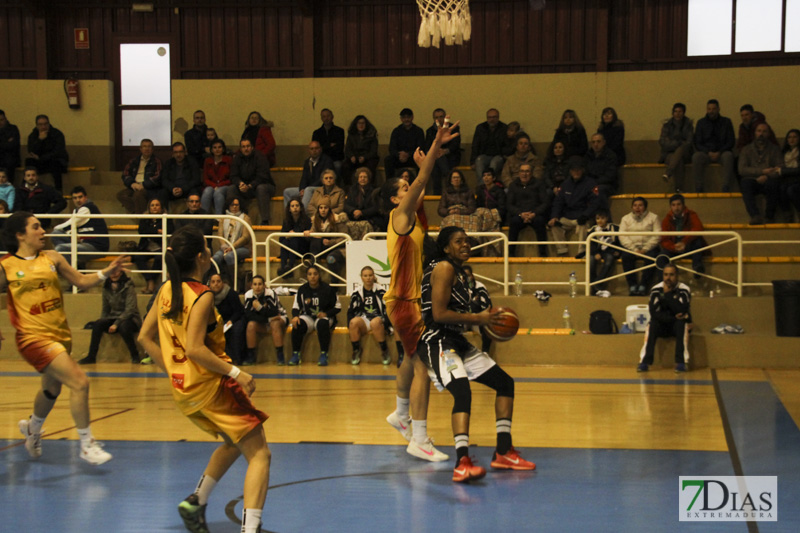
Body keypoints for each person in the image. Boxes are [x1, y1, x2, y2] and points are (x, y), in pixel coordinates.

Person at [137, 225, 270, 533]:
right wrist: (238, 372)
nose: (211, 253)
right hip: (212, 387)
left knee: (233, 442)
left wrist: (173, 372)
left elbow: (145, 337)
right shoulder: (201, 295)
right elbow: (196, 348)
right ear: (201, 257)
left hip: (184, 391)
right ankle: (250, 529)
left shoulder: (166, 290)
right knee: (260, 453)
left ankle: (196, 502)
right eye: (208, 249)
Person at [1, 211, 127, 465]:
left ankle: (33, 430)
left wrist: (106, 271)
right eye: (35, 227)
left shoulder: (52, 257)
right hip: (32, 338)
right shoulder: (6, 266)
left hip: (59, 335)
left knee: (51, 389)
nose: (42, 231)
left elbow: (81, 280)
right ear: (20, 235)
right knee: (80, 382)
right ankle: (86, 444)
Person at [418, 226, 536, 482]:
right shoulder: (444, 268)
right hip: (438, 339)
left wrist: (487, 321)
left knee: (505, 383)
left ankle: (503, 452)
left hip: (456, 339)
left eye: (468, 241)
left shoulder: (460, 273)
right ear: (446, 247)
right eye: (458, 241)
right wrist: (479, 319)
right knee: (462, 391)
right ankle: (462, 462)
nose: (466, 245)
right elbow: (438, 314)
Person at [382, 117, 459, 463]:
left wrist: (421, 163)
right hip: (404, 302)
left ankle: (401, 414)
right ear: (396, 199)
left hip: (404, 302)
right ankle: (420, 438)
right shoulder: (400, 216)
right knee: (423, 367)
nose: (410, 186)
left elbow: (424, 186)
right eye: (405, 186)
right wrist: (433, 148)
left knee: (411, 359)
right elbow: (425, 179)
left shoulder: (413, 219)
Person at [636, 263, 691, 373]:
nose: (668, 278)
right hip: (662, 323)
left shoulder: (684, 289)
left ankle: (681, 362)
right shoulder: (656, 289)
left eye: (671, 275)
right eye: (665, 275)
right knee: (652, 325)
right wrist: (673, 316)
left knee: (682, 325)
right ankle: (644, 362)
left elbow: (682, 309)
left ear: (677, 276)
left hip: (676, 325)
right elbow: (654, 312)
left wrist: (668, 295)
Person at [78, 270, 141, 364]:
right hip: (113, 317)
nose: (114, 274)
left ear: (121, 273)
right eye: (112, 272)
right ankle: (91, 356)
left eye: (116, 272)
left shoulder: (129, 286)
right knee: (97, 324)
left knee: (124, 327)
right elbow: (105, 309)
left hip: (130, 318)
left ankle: (135, 355)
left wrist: (116, 324)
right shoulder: (106, 287)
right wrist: (103, 320)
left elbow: (130, 309)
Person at [288, 265, 341, 367]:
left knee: (322, 324)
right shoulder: (302, 289)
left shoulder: (328, 289)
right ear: (307, 276)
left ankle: (324, 354)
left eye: (315, 274)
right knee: (297, 324)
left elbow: (338, 307)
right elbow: (296, 306)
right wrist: (295, 316)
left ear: (319, 275)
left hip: (323, 317)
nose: (313, 277)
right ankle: (295, 354)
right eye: (310, 274)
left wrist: (326, 314)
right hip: (308, 317)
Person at [548, 156, 601, 257]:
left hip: (582, 217)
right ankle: (562, 251)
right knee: (555, 225)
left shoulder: (590, 183)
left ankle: (582, 252)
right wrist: (554, 216)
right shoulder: (565, 184)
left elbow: (595, 203)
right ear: (570, 171)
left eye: (578, 170)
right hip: (567, 217)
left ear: (582, 170)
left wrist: (585, 215)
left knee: (583, 225)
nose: (576, 172)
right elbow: (558, 202)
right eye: (573, 170)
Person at [51, 186, 110, 266]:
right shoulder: (77, 210)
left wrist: (56, 227)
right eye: (75, 198)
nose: (78, 200)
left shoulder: (88, 208)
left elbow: (70, 224)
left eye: (80, 197)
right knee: (55, 234)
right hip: (83, 243)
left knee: (60, 248)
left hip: (96, 247)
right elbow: (72, 228)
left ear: (85, 197)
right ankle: (77, 265)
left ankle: (73, 272)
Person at [738, 122, 782, 225]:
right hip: (752, 180)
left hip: (769, 180)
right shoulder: (746, 149)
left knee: (774, 184)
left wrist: (766, 175)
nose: (761, 134)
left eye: (764, 131)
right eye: (759, 131)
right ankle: (755, 215)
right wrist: (761, 172)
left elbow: (779, 168)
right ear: (755, 133)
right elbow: (742, 169)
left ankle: (769, 217)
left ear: (768, 134)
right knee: (745, 184)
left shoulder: (775, 149)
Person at [347, 266, 392, 365]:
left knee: (375, 322)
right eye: (365, 276)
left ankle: (384, 350)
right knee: (354, 322)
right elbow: (350, 311)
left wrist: (388, 324)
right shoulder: (357, 293)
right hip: (364, 319)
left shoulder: (381, 291)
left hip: (378, 319)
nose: (368, 278)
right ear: (361, 277)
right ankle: (356, 350)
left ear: (373, 276)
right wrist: (349, 326)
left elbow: (388, 309)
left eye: (370, 275)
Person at [227, 138, 275, 225]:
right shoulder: (237, 158)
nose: (246, 149)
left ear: (252, 147)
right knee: (231, 189)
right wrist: (240, 183)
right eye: (243, 147)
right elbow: (233, 176)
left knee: (261, 188)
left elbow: (263, 176)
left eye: (248, 146)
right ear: (240, 148)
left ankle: (265, 220)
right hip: (244, 187)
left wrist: (249, 186)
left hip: (263, 186)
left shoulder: (260, 157)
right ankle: (233, 218)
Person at [619, 196, 661, 296]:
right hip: (632, 248)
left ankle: (643, 286)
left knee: (652, 257)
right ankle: (632, 286)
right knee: (626, 256)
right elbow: (622, 236)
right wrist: (634, 249)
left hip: (649, 247)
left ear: (645, 207)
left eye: (640, 205)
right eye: (635, 205)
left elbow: (657, 235)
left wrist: (645, 248)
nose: (637, 208)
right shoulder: (625, 219)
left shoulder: (654, 217)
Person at [692, 99, 735, 192]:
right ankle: (699, 187)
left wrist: (720, 152)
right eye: (709, 109)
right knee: (696, 157)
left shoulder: (726, 122)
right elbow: (697, 142)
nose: (711, 111)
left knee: (729, 156)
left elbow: (731, 141)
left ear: (718, 109)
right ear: (706, 110)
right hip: (706, 153)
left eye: (714, 109)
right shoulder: (701, 123)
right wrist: (708, 152)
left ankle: (725, 186)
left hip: (722, 152)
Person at [244, 275, 288, 366]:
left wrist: (259, 308)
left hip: (280, 317)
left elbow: (274, 312)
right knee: (250, 325)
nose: (257, 287)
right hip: (265, 321)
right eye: (255, 284)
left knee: (274, 324)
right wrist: (267, 317)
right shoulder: (248, 295)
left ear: (264, 285)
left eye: (260, 284)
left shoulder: (270, 293)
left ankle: (280, 355)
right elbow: (248, 315)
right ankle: (251, 355)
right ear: (251, 286)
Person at [508, 163, 550, 257]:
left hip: (535, 214)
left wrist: (534, 213)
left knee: (540, 222)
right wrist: (520, 214)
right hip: (519, 215)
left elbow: (545, 203)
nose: (524, 174)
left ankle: (543, 254)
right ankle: (510, 254)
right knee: (513, 222)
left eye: (527, 171)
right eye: (522, 171)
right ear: (519, 173)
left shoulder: (539, 184)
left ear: (531, 173)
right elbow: (510, 204)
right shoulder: (513, 185)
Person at [660, 194, 707, 278]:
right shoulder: (667, 219)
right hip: (674, 247)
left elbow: (698, 228)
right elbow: (664, 239)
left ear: (683, 205)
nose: (676, 207)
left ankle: (697, 269)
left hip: (688, 245)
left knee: (698, 241)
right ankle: (665, 278)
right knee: (662, 255)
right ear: (670, 206)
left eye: (678, 204)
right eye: (673, 205)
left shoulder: (691, 214)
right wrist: (674, 247)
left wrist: (684, 242)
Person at [135, 198, 173, 295]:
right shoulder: (145, 218)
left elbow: (170, 230)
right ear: (149, 208)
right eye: (152, 205)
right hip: (146, 247)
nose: (155, 207)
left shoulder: (166, 218)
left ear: (161, 207)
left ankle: (150, 282)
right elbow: (142, 231)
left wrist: (150, 232)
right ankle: (150, 280)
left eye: (157, 205)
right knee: (138, 257)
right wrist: (156, 231)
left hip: (160, 247)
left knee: (160, 258)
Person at [208, 273, 246, 366]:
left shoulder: (230, 293)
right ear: (210, 284)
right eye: (213, 282)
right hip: (219, 321)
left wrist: (231, 321)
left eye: (218, 281)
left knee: (235, 331)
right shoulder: (207, 295)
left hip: (235, 318)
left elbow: (239, 311)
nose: (216, 284)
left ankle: (237, 359)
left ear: (223, 283)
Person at [283, 140, 334, 208]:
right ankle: (289, 215)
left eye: (316, 148)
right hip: (308, 188)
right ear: (308, 150)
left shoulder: (327, 160)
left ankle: (303, 214)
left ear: (320, 149)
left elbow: (322, 179)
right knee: (287, 191)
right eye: (312, 149)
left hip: (322, 188)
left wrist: (306, 189)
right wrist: (302, 189)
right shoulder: (307, 162)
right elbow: (304, 178)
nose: (314, 150)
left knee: (308, 190)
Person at [118, 138, 163, 215]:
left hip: (148, 187)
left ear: (152, 149)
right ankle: (136, 212)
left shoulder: (156, 161)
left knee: (137, 195)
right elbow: (125, 174)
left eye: (149, 146)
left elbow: (157, 177)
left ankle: (142, 218)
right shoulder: (134, 161)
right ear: (140, 149)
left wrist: (143, 185)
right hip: (134, 185)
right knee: (121, 195)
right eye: (144, 146)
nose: (146, 149)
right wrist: (132, 184)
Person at [25, 115, 68, 191]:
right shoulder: (33, 135)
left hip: (54, 160)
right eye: (40, 125)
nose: (43, 127)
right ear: (37, 125)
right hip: (40, 162)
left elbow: (58, 151)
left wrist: (41, 158)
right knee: (29, 162)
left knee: (56, 164)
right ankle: (28, 188)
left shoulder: (57, 134)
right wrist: (39, 140)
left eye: (45, 124)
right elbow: (31, 151)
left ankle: (59, 191)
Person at [424, 108, 461, 195]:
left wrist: (445, 151)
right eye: (437, 117)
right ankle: (448, 180)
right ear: (434, 119)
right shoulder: (430, 131)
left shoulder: (453, 128)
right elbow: (427, 147)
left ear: (445, 117)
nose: (439, 119)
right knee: (437, 161)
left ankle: (437, 193)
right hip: (436, 157)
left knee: (437, 161)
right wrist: (436, 151)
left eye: (441, 117)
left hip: (451, 156)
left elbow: (455, 145)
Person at [212, 198, 252, 277]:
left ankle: (234, 282)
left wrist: (232, 247)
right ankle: (218, 280)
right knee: (216, 258)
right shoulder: (223, 218)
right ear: (228, 206)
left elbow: (246, 237)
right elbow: (220, 234)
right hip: (226, 247)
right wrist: (224, 245)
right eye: (232, 205)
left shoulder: (245, 218)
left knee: (229, 256)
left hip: (243, 248)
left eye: (236, 205)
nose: (234, 207)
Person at [658, 103, 694, 192]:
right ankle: (678, 189)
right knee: (678, 160)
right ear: (673, 113)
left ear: (684, 113)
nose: (678, 114)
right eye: (676, 111)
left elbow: (689, 142)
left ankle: (668, 172)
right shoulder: (667, 125)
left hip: (685, 153)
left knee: (681, 149)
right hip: (668, 153)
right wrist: (677, 143)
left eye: (680, 111)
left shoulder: (688, 125)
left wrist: (674, 143)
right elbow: (662, 142)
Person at [384, 108, 425, 183]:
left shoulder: (418, 131)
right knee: (388, 160)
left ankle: (419, 185)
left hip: (413, 158)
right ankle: (390, 184)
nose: (406, 119)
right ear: (401, 119)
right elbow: (391, 148)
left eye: (408, 117)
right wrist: (399, 154)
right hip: (399, 158)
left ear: (412, 117)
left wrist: (408, 154)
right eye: (404, 117)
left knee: (422, 161)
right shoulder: (396, 131)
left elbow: (421, 148)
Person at [586, 208, 620, 297]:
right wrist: (595, 253)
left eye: (602, 218)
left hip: (610, 251)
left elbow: (619, 241)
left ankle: (597, 284)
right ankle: (594, 288)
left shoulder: (614, 228)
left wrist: (618, 251)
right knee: (591, 260)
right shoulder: (592, 230)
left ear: (607, 218)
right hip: (597, 251)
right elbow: (591, 244)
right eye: (597, 218)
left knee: (609, 259)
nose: (600, 221)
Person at [462, 264, 493, 355]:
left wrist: (478, 316)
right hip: (463, 318)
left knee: (487, 324)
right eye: (464, 276)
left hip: (477, 318)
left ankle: (485, 353)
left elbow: (488, 306)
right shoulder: (458, 288)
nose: (467, 278)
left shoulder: (480, 287)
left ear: (472, 275)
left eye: (469, 275)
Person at [344, 166, 382, 240]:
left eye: (365, 177)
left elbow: (376, 207)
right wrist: (353, 211)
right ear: (357, 179)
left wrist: (362, 212)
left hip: (368, 217)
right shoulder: (352, 189)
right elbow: (346, 205)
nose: (362, 179)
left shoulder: (375, 190)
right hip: (354, 216)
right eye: (360, 177)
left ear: (369, 179)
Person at [161, 142, 202, 211]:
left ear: (185, 152)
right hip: (173, 189)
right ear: (173, 154)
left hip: (187, 189)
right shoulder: (168, 163)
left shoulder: (192, 162)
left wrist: (183, 189)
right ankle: (164, 219)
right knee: (162, 193)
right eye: (176, 152)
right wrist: (172, 188)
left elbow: (196, 180)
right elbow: (164, 180)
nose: (178, 155)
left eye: (180, 152)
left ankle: (194, 217)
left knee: (195, 192)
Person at [277, 197, 312, 277]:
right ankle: (284, 267)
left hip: (302, 249)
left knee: (294, 239)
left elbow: (308, 239)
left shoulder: (306, 220)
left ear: (301, 208)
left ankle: (290, 266)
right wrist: (287, 236)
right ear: (289, 209)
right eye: (292, 206)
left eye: (297, 205)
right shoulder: (286, 221)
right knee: (285, 242)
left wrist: (295, 234)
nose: (295, 208)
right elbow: (280, 239)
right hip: (290, 249)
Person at [470, 108, 508, 181]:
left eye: (494, 117)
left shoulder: (504, 128)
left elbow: (507, 145)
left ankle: (490, 185)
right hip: (484, 155)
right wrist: (472, 161)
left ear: (498, 117)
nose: (492, 119)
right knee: (479, 160)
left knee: (495, 162)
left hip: (499, 156)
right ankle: (482, 187)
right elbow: (475, 145)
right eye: (489, 117)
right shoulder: (480, 128)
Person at [342, 115, 379, 185]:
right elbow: (347, 149)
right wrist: (351, 156)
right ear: (355, 124)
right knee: (345, 166)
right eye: (359, 123)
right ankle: (349, 187)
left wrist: (365, 157)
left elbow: (373, 151)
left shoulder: (372, 135)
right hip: (355, 158)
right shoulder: (351, 135)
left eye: (363, 123)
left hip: (368, 158)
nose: (361, 125)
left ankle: (370, 188)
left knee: (370, 167)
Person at [201, 138, 233, 214]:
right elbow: (205, 179)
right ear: (211, 150)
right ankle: (203, 217)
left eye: (219, 147)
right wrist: (214, 186)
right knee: (207, 191)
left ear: (223, 149)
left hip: (225, 185)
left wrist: (219, 185)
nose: (217, 149)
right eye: (214, 148)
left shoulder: (229, 160)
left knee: (218, 192)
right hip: (211, 185)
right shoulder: (208, 160)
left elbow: (231, 178)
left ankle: (219, 218)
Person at [585, 133, 618, 201]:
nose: (596, 144)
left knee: (598, 190)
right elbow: (585, 172)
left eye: (598, 141)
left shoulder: (610, 156)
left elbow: (610, 175)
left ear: (604, 142)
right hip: (591, 184)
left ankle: (601, 211)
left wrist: (594, 183)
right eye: (593, 142)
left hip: (607, 185)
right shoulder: (587, 156)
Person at [311, 108, 345, 176]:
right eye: (324, 116)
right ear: (321, 118)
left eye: (328, 116)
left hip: (335, 159)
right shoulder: (317, 133)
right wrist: (330, 146)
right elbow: (316, 148)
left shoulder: (339, 131)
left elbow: (339, 148)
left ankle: (336, 185)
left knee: (338, 166)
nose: (326, 118)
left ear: (332, 117)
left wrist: (324, 147)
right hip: (321, 159)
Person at [777, 129, 800, 216]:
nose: (792, 139)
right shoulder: (784, 153)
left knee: (791, 190)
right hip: (787, 179)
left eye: (795, 137)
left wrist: (783, 171)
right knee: (780, 189)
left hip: (797, 179)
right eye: (789, 137)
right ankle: (787, 213)